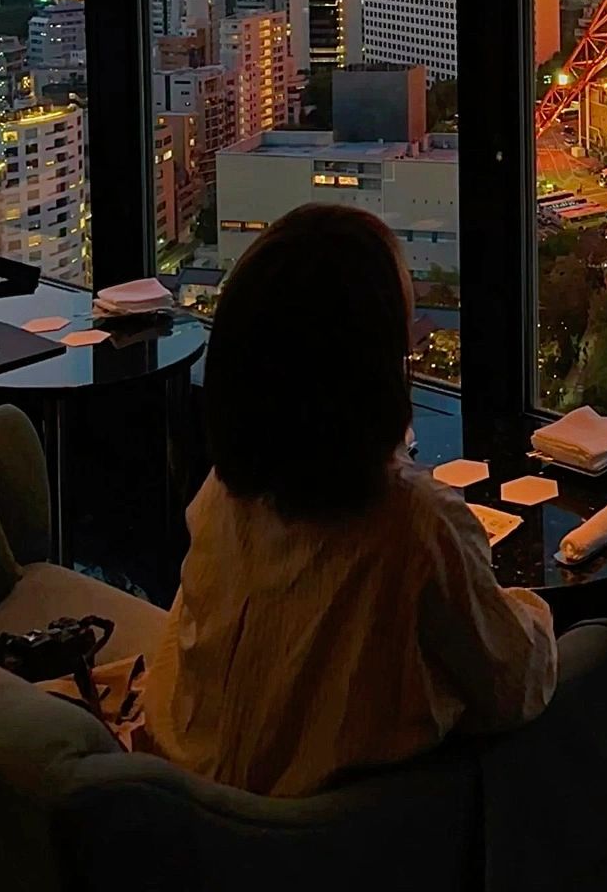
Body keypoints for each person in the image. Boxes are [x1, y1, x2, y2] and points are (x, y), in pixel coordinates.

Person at [143, 204, 557, 796]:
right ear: (374, 371)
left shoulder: (224, 495)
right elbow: (516, 686)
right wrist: (531, 610)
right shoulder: (415, 525)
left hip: (187, 798)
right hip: (328, 846)